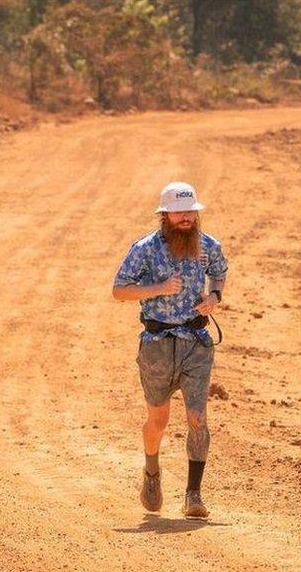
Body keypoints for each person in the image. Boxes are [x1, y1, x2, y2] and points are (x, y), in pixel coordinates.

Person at [111, 182, 228, 518]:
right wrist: (159, 288)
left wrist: (214, 298)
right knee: (158, 420)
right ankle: (151, 473)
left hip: (196, 342)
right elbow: (119, 290)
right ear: (165, 215)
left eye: (191, 211)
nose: (187, 218)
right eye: (179, 212)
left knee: (197, 417)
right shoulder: (145, 249)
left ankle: (194, 495)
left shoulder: (207, 246)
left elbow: (219, 274)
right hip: (157, 345)